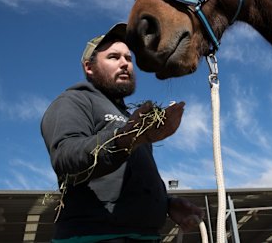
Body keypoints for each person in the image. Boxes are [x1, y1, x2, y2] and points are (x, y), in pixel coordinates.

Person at [41, 23, 204, 242]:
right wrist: (124, 139)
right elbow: (65, 157)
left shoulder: (132, 118)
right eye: (114, 57)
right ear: (89, 67)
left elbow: (126, 182)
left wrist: (167, 203)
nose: (125, 64)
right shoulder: (74, 101)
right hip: (96, 237)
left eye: (128, 58)